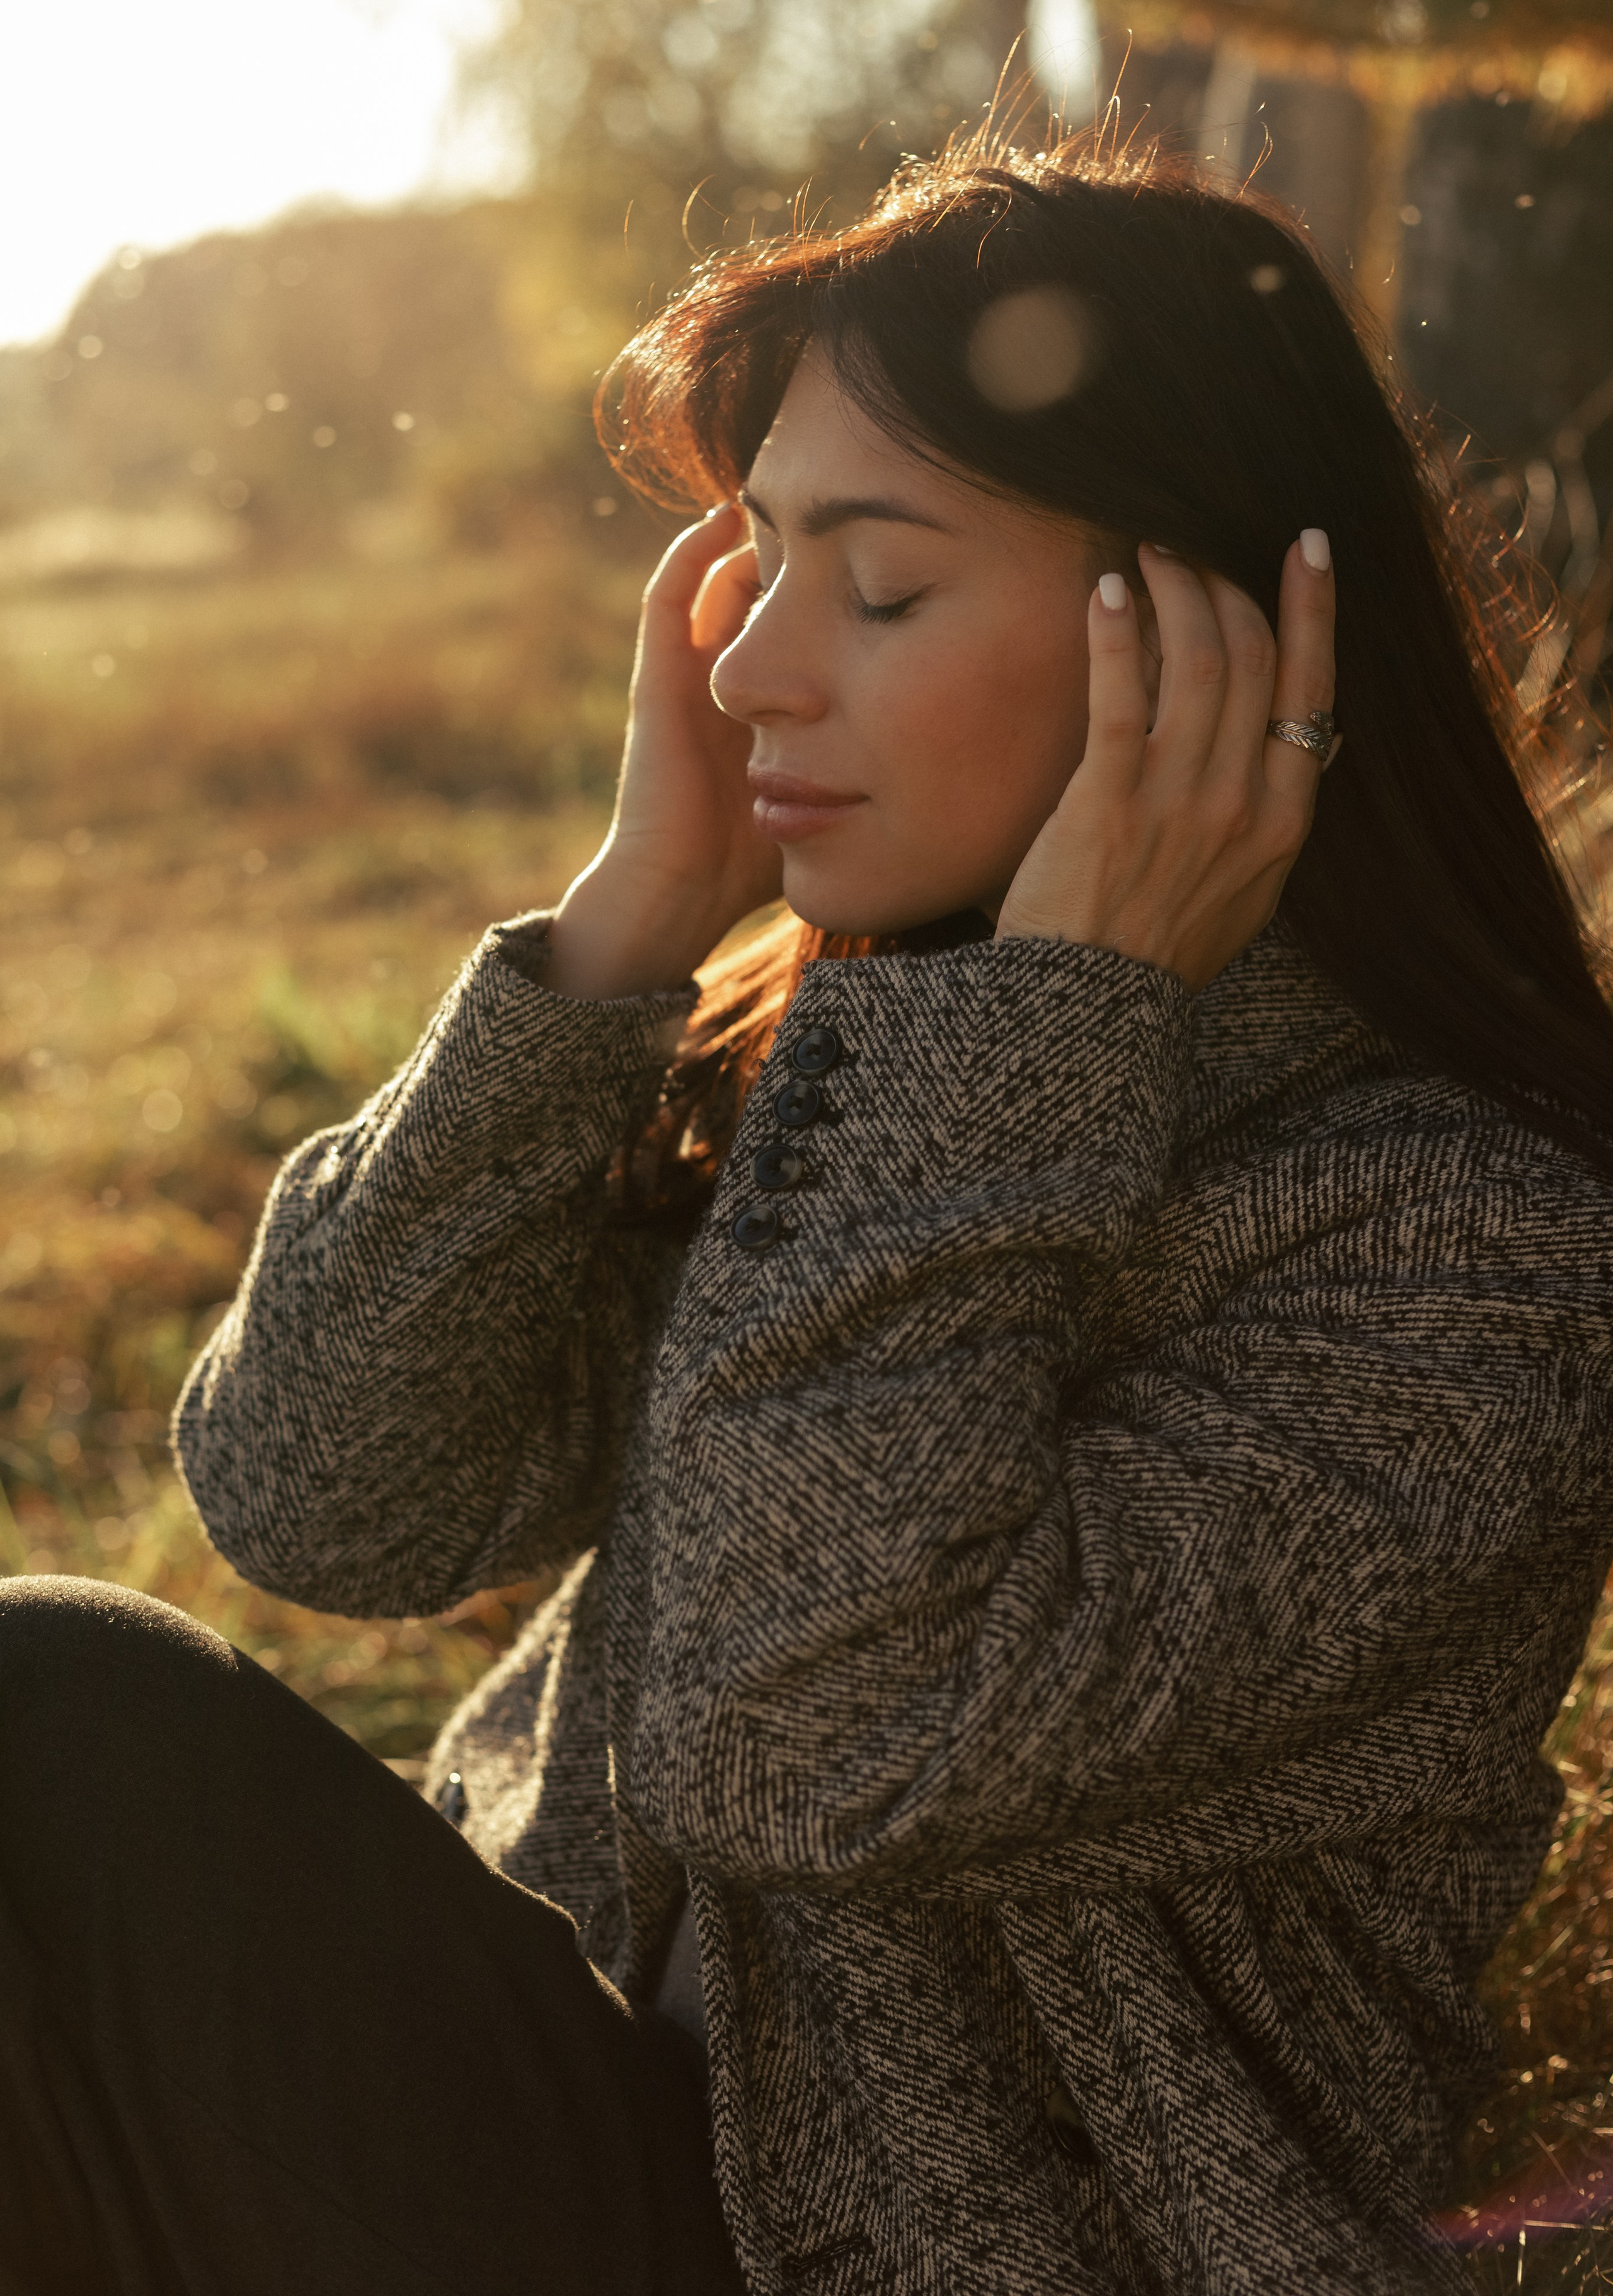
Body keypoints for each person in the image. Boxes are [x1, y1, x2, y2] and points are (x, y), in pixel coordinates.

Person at [3, 130, 1611, 2296]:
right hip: (572, 2112)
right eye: (755, 561)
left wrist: (1042, 1044)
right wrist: (623, 933)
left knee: (52, 1721)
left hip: (925, 2256)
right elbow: (321, 1496)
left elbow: (804, 1736)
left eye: (882, 585)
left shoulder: (1468, 1253)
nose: (754, 666)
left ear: (1228, 637)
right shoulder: (845, 1056)